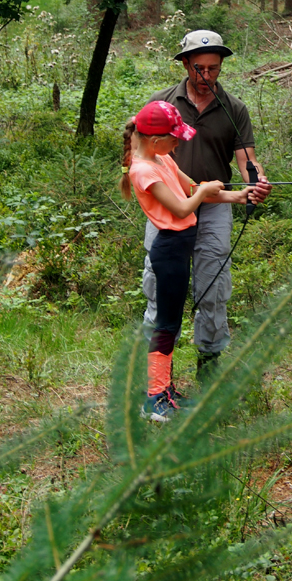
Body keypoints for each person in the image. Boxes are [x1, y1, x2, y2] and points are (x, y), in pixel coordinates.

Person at [121, 101, 267, 420]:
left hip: (179, 248)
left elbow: (194, 187)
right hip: (169, 250)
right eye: (175, 138)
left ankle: (164, 392)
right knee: (166, 324)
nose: (179, 143)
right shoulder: (143, 170)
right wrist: (205, 192)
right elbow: (184, 207)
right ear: (155, 139)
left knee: (171, 322)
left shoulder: (162, 158)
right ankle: (155, 398)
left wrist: (238, 195)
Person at [142, 29, 272, 375]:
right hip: (169, 205)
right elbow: (142, 154)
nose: (206, 76)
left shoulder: (234, 109)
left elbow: (248, 160)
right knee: (159, 284)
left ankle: (209, 361)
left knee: (213, 284)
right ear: (185, 64)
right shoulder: (162, 104)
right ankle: (156, 369)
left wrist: (256, 183)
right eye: (199, 68)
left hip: (215, 205)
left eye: (213, 69)